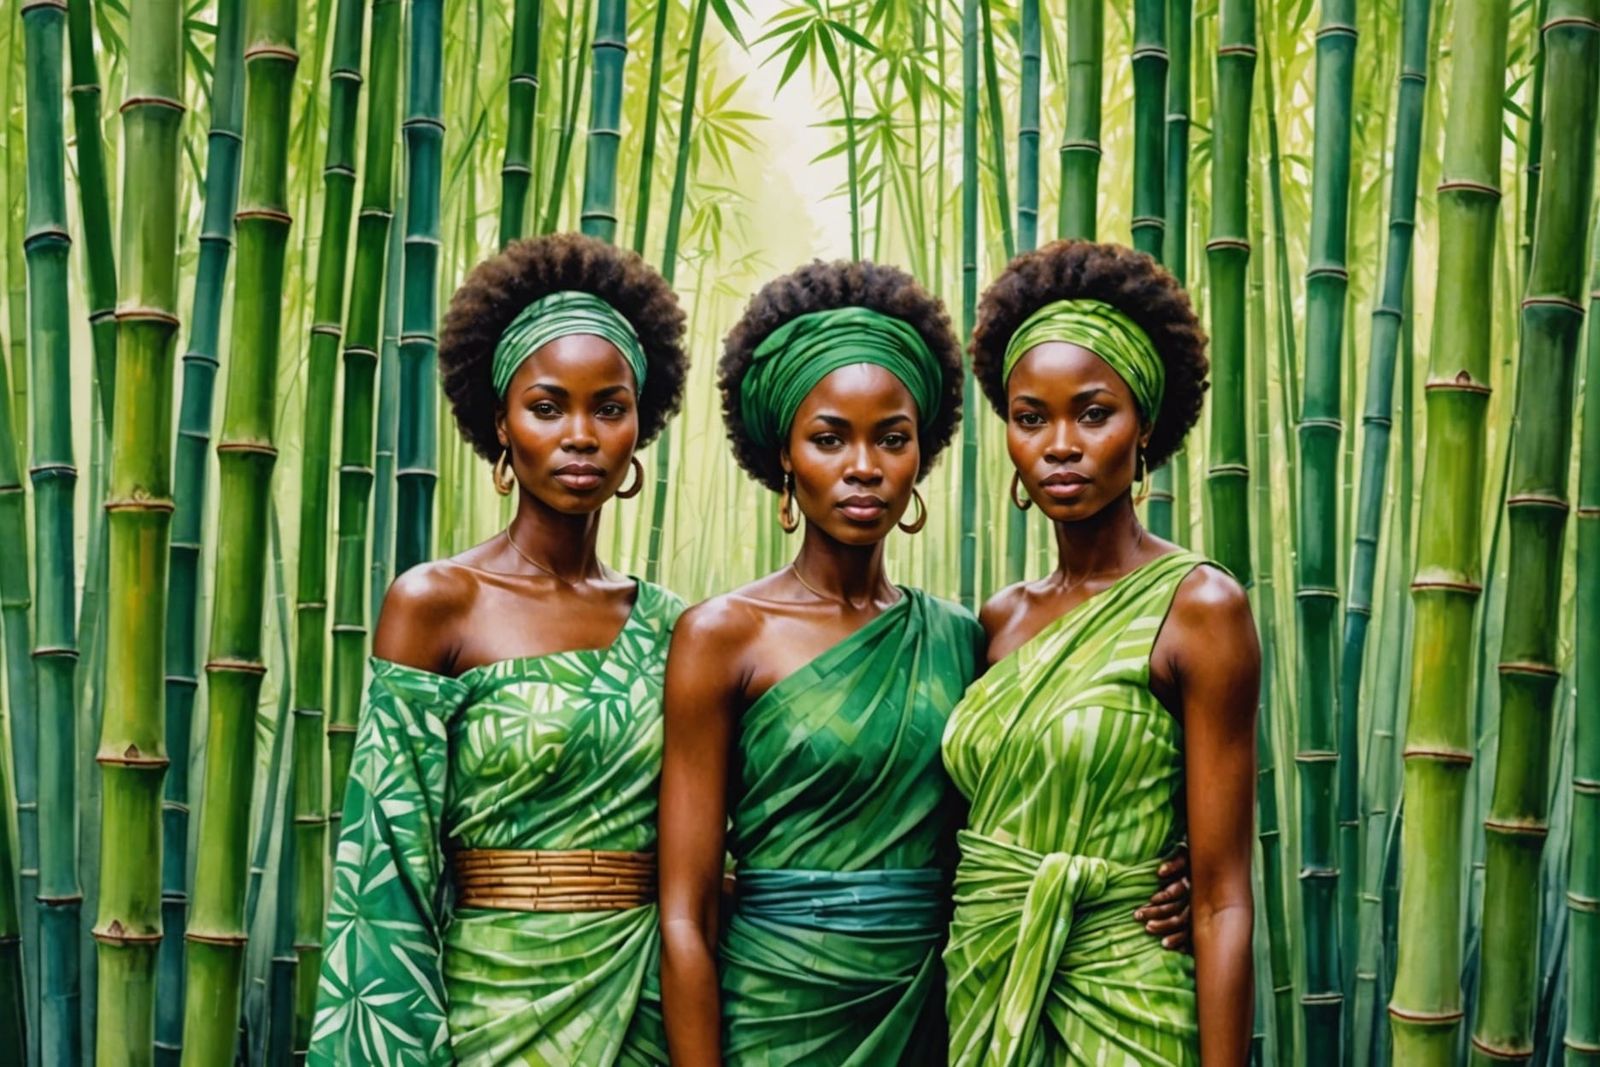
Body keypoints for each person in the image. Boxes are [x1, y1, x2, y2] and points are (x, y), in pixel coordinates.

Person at [657, 260, 1194, 1066]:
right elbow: (686, 912)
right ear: (784, 456)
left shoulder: (961, 638)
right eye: (830, 437)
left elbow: (1032, 791)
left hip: (940, 1005)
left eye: (892, 438)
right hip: (773, 1010)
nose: (864, 465)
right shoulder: (722, 635)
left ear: (923, 455)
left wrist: (1158, 875)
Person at [307, 232, 690, 1066]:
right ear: (500, 427)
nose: (580, 434)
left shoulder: (673, 626)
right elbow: (389, 868)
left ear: (640, 428)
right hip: (487, 1010)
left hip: (640, 1006)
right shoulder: (436, 605)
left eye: (609, 407)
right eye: (548, 407)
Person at [941, 239, 1258, 1066]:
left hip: (1127, 1002)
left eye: (1092, 412)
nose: (1060, 444)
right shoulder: (999, 620)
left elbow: (1223, 898)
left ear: (1144, 426)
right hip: (986, 984)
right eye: (1030, 416)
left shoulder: (1199, 608)